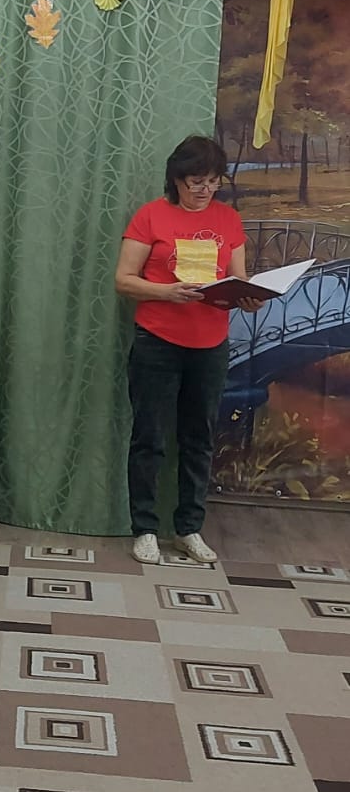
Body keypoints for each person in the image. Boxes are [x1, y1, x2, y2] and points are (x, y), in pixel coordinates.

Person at [115, 135, 265, 565]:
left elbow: (237, 278)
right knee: (150, 437)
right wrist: (167, 292)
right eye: (197, 181)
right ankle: (145, 529)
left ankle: (189, 529)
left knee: (199, 439)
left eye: (213, 181)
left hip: (210, 344)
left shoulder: (228, 220)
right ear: (177, 179)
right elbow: (124, 280)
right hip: (157, 341)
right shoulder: (151, 216)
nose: (205, 189)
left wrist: (248, 297)